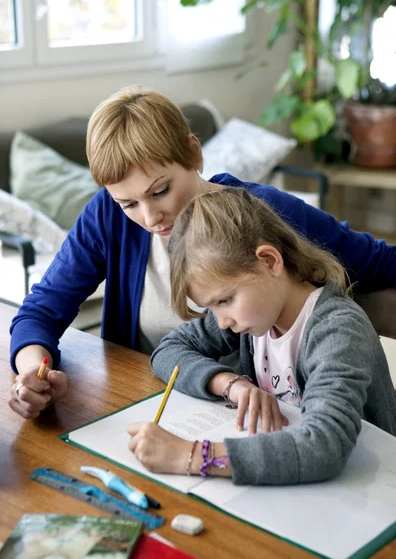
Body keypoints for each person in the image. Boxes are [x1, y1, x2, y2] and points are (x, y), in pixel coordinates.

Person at [9, 85, 396, 420]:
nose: (149, 217)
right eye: (129, 203)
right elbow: (43, 309)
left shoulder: (260, 214)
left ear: (194, 154)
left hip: (252, 414)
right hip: (148, 400)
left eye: (160, 190)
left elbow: (379, 262)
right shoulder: (108, 216)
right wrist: (33, 374)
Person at [128, 187, 396, 485]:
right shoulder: (256, 314)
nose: (223, 322)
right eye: (211, 307)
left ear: (269, 261)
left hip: (371, 488)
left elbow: (324, 446)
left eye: (224, 300)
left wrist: (189, 455)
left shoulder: (337, 329)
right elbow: (169, 351)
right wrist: (231, 384)